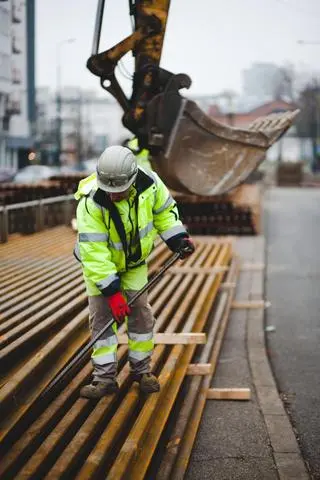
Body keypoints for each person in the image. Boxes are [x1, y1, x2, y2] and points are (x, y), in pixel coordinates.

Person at [74, 145, 195, 399]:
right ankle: (104, 379)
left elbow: (165, 213)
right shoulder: (90, 201)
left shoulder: (149, 184)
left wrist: (177, 239)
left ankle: (142, 372)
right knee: (102, 319)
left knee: (140, 315)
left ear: (131, 180)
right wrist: (112, 292)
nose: (114, 196)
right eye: (110, 191)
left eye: (119, 191)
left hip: (134, 264)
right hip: (100, 268)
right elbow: (94, 253)